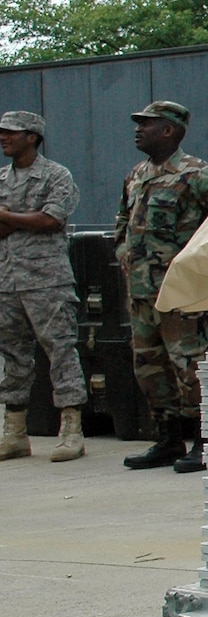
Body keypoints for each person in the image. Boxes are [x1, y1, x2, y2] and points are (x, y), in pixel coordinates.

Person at [116, 101, 208, 473]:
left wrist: (201, 263)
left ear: (169, 130)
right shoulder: (137, 174)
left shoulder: (199, 175)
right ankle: (167, 440)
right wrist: (121, 247)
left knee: (191, 366)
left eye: (147, 124)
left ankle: (205, 441)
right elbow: (123, 217)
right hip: (140, 292)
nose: (138, 129)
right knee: (149, 367)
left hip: (182, 292)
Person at [0, 110, 85, 462]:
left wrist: (6, 216)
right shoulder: (1, 178)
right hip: (7, 280)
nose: (3, 138)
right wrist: (22, 220)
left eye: (11, 133)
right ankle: (15, 432)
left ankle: (71, 429)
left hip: (47, 280)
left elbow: (51, 220)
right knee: (12, 355)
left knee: (60, 350)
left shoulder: (55, 175)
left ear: (32, 137)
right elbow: (27, 222)